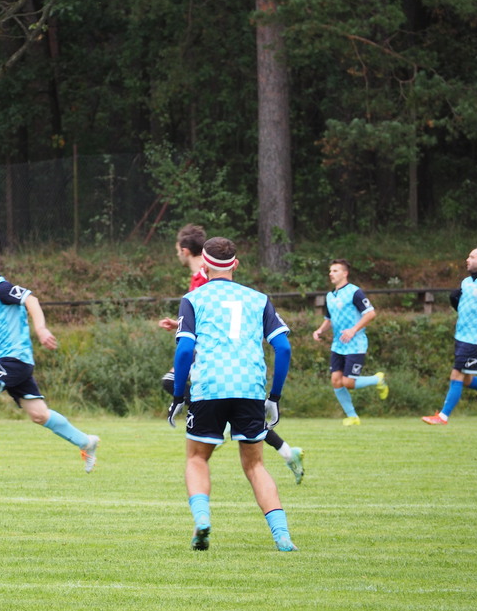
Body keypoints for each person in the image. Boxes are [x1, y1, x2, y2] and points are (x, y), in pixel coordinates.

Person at [167, 237, 297, 552]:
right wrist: (274, 397)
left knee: (197, 458)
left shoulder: (193, 299)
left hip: (209, 386)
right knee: (255, 465)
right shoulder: (259, 299)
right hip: (249, 388)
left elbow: (184, 350)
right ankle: (282, 537)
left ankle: (202, 520)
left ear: (204, 264)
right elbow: (283, 347)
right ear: (235, 264)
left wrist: (178, 395)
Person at [158, 225, 304, 484]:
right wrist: (179, 324)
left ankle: (222, 421)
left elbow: (214, 318)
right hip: (235, 366)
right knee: (243, 417)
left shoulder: (204, 281)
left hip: (216, 355)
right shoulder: (210, 282)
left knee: (173, 383)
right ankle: (284, 450)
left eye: (177, 250)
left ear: (188, 252)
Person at [0, 249, 100, 472]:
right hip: (17, 361)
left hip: (14, 359)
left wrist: (41, 329)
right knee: (39, 414)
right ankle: (86, 442)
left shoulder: (1, 287)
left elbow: (31, 299)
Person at [422, 245, 477, 425]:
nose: (467, 259)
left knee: (456, 375)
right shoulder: (466, 282)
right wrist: (454, 301)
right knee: (467, 380)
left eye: (472, 257)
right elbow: (464, 310)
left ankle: (443, 416)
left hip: (475, 338)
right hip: (461, 336)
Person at [312, 259, 388, 426]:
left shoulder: (355, 292)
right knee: (336, 381)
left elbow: (370, 314)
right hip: (338, 345)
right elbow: (329, 319)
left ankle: (377, 380)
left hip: (355, 344)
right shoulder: (330, 296)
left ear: (345, 273)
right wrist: (320, 330)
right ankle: (352, 417)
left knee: (348, 382)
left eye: (335, 270)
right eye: (330, 271)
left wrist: (353, 330)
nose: (331, 273)